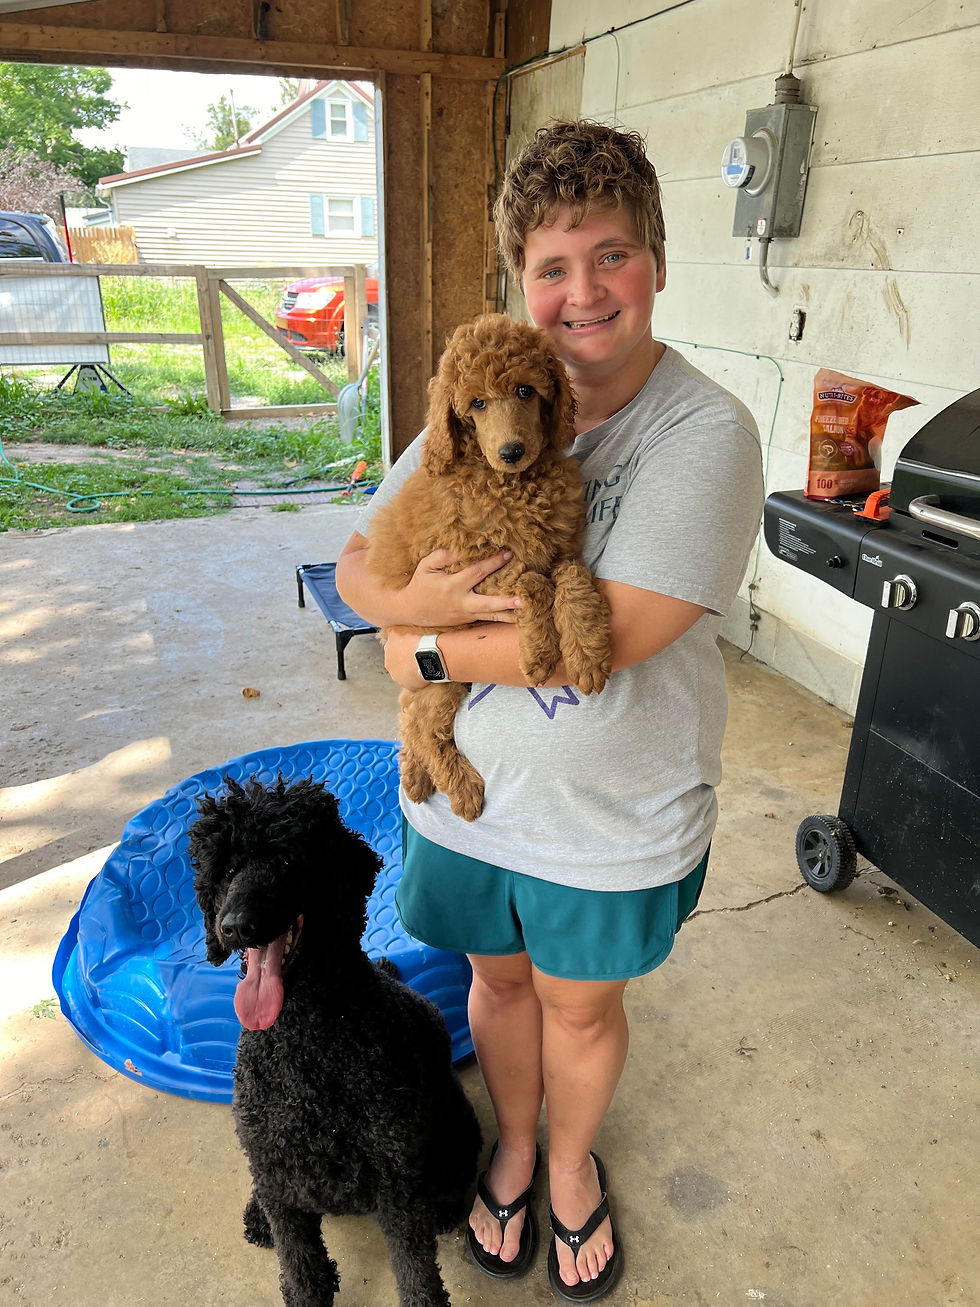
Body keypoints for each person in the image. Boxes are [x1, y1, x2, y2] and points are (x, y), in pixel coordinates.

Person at [335, 119, 764, 1303]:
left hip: (605, 818)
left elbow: (606, 641)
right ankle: (514, 1143)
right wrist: (406, 604)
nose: (583, 292)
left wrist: (419, 649)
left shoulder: (703, 431)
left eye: (610, 254)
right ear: (520, 280)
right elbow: (359, 559)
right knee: (498, 983)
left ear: (656, 260)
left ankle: (569, 1161)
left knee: (578, 1007)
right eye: (551, 266)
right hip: (473, 809)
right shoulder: (473, 396)